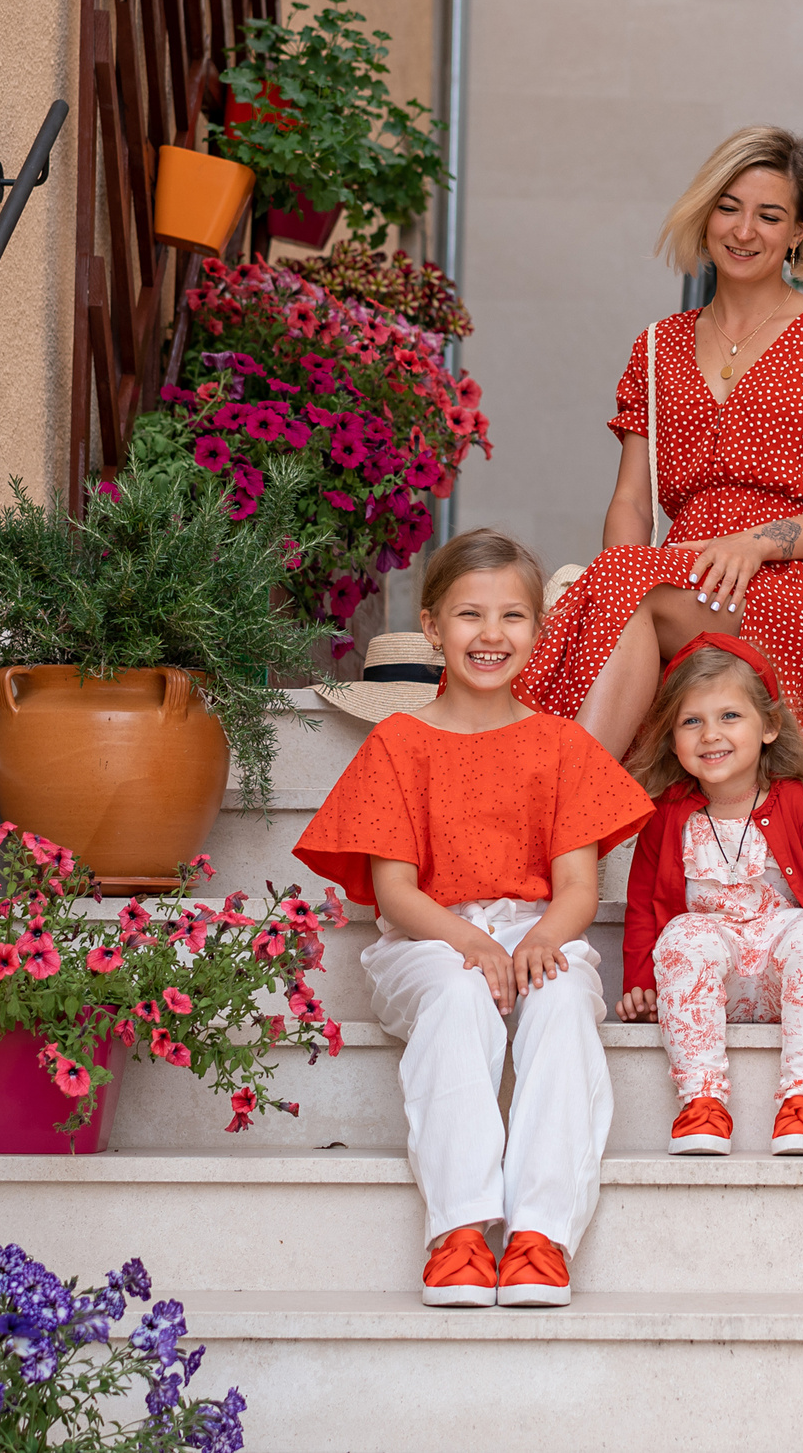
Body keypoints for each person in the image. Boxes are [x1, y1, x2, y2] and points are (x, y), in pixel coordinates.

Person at [293, 528, 656, 1308]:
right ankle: (458, 1231)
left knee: (560, 998)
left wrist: (542, 940)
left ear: (539, 629)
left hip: (538, 924)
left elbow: (577, 891)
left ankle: (540, 1234)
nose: (492, 635)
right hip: (431, 936)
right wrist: (474, 942)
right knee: (461, 992)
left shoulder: (562, 744)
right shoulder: (399, 741)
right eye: (469, 615)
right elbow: (396, 895)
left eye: (512, 616)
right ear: (432, 626)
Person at [515, 126, 803, 808]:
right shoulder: (657, 346)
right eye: (728, 206)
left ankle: (553, 816)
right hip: (681, 580)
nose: (744, 229)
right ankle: (567, 816)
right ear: (705, 211)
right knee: (617, 584)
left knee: (608, 595)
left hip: (801, 588)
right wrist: (617, 594)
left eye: (770, 214)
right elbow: (633, 503)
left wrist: (754, 543)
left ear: (800, 229)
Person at [615, 632, 803, 1156]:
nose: (711, 735)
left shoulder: (797, 802)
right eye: (692, 721)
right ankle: (702, 1102)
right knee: (684, 933)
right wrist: (640, 981)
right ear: (672, 738)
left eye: (730, 716)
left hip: (782, 976)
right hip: (713, 978)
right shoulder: (668, 815)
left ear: (769, 726)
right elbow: (643, 905)